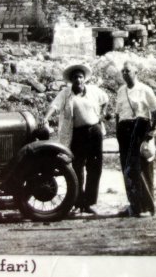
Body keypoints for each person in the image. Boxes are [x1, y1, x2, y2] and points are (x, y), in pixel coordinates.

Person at [42, 63, 108, 215]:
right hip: (77, 134)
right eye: (75, 77)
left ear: (84, 79)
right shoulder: (66, 93)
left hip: (94, 131)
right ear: (71, 80)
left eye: (80, 77)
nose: (78, 80)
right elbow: (54, 106)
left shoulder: (93, 91)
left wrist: (102, 113)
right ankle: (78, 202)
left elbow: (105, 99)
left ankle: (90, 202)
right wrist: (46, 118)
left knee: (94, 167)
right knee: (77, 167)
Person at [114, 62, 156, 218]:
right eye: (123, 71)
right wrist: (118, 132)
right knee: (127, 169)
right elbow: (118, 113)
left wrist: (152, 132)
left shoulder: (144, 90)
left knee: (141, 167)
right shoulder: (121, 91)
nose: (125, 73)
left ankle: (148, 206)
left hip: (140, 128)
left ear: (136, 72)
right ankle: (134, 206)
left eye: (128, 71)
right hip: (124, 130)